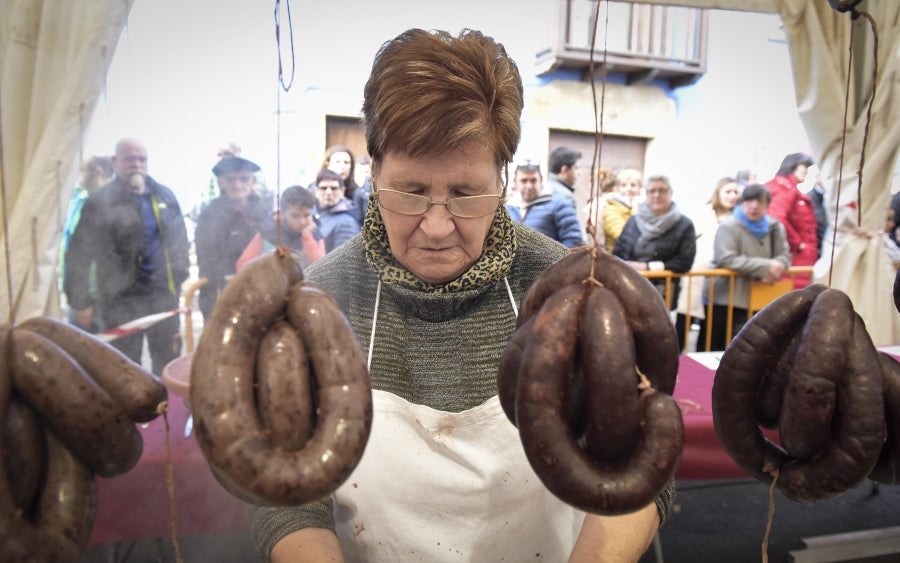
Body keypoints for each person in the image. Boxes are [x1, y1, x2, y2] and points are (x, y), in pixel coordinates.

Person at [248, 28, 673, 563]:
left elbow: (642, 466)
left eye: (467, 194)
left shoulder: (568, 288)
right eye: (412, 191)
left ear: (502, 178)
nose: (437, 226)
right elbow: (284, 486)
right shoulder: (324, 295)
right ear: (374, 172)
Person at [64, 138, 190, 375]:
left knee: (169, 359)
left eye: (142, 158)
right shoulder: (99, 202)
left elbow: (179, 239)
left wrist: (180, 276)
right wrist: (80, 302)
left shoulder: (165, 196)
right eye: (129, 158)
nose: (137, 164)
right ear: (115, 162)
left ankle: (169, 409)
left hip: (162, 296)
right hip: (119, 300)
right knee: (124, 366)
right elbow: (79, 253)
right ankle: (132, 412)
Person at [704, 184, 791, 351]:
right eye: (749, 201)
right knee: (717, 347)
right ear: (742, 202)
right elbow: (726, 258)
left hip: (761, 296)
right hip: (726, 298)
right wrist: (767, 267)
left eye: (760, 201)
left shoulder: (774, 227)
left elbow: (784, 255)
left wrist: (779, 266)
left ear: (767, 204)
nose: (754, 206)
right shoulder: (729, 225)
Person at [195, 155, 273, 320]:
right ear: (221, 183)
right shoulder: (210, 214)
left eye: (244, 179)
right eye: (231, 180)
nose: (238, 185)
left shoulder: (264, 211)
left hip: (260, 288)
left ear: (253, 181)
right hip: (222, 289)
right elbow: (206, 257)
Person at [674, 177, 740, 351]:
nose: (732, 196)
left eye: (735, 192)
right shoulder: (703, 213)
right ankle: (674, 372)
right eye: (728, 191)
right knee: (682, 329)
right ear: (718, 193)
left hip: (721, 283)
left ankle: (700, 377)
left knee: (709, 335)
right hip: (696, 278)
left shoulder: (739, 219)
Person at [612, 175, 696, 309]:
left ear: (671, 193)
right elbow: (618, 252)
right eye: (652, 191)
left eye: (662, 190)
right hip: (629, 288)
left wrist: (648, 267)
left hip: (663, 293)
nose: (657, 195)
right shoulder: (633, 221)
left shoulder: (684, 224)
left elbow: (685, 261)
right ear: (646, 194)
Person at [58, 155, 114, 315]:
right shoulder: (76, 200)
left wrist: (84, 300)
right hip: (77, 295)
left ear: (98, 171)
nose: (78, 176)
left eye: (81, 171)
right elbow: (73, 251)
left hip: (104, 298)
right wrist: (78, 299)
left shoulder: (115, 202)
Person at [764, 152, 817, 288]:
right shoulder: (785, 188)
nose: (806, 170)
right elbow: (777, 218)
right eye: (804, 165)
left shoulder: (782, 187)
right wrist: (798, 244)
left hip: (792, 258)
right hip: (795, 260)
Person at [506, 160, 583, 247]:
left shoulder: (559, 204)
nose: (529, 186)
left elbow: (573, 242)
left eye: (533, 180)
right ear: (515, 182)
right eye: (524, 181)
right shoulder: (509, 207)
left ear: (541, 179)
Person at [313, 168, 361, 252]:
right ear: (316, 191)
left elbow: (344, 261)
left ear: (342, 191)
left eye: (333, 188)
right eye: (323, 188)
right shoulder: (310, 215)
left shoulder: (346, 222)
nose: (328, 192)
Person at [604, 168, 642, 252]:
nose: (629, 189)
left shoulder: (644, 206)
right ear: (618, 188)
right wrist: (636, 209)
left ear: (640, 188)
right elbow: (622, 236)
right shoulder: (612, 208)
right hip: (617, 258)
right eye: (624, 185)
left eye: (633, 185)